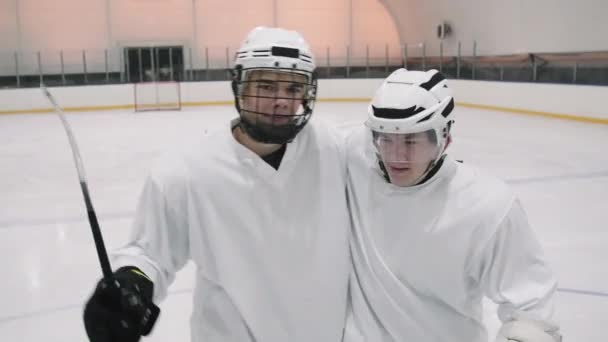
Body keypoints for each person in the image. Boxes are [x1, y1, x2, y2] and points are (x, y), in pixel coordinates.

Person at [83, 27, 351, 342]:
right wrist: (132, 282)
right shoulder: (187, 170)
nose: (281, 100)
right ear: (240, 87)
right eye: (266, 86)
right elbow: (148, 253)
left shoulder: (336, 151)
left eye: (293, 88)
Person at [343, 68, 561, 342]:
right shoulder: (356, 163)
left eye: (411, 140)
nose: (396, 155)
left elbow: (532, 310)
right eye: (385, 139)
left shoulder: (486, 206)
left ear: (444, 136)